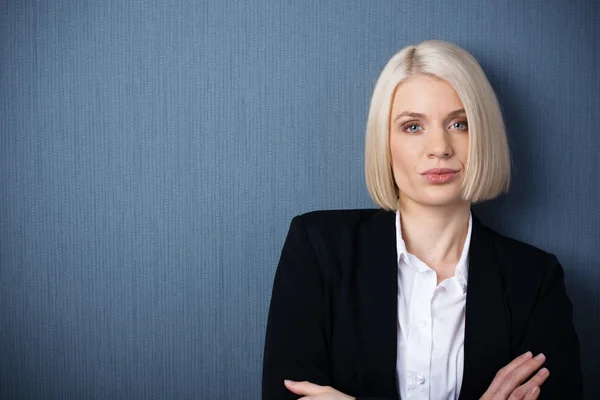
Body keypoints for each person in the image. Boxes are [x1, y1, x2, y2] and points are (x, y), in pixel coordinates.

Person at [261, 40, 583, 400]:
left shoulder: (535, 278)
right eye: (413, 127)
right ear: (385, 142)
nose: (440, 147)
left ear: (484, 134)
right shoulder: (317, 247)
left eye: (459, 124)